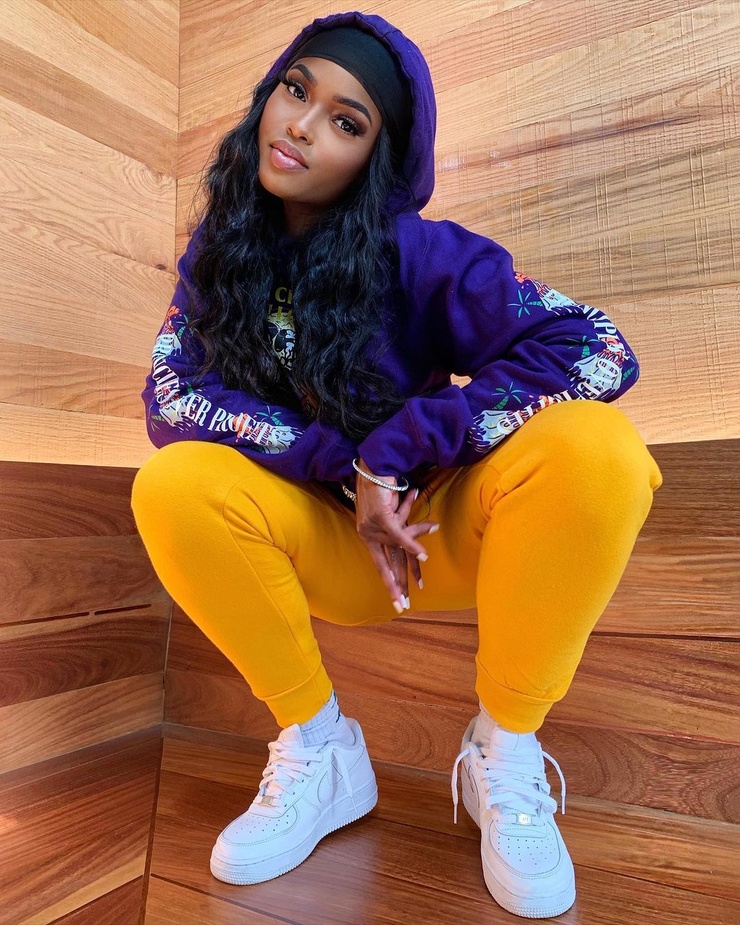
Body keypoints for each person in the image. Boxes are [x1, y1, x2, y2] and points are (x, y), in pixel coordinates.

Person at [131, 10, 664, 919]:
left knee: (600, 450)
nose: (302, 126)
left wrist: (398, 454)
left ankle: (504, 748)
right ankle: (322, 750)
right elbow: (171, 395)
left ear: (375, 157)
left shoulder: (419, 252)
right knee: (171, 484)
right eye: (296, 90)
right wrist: (342, 467)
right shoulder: (219, 254)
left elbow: (597, 347)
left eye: (346, 121)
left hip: (430, 537)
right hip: (325, 544)